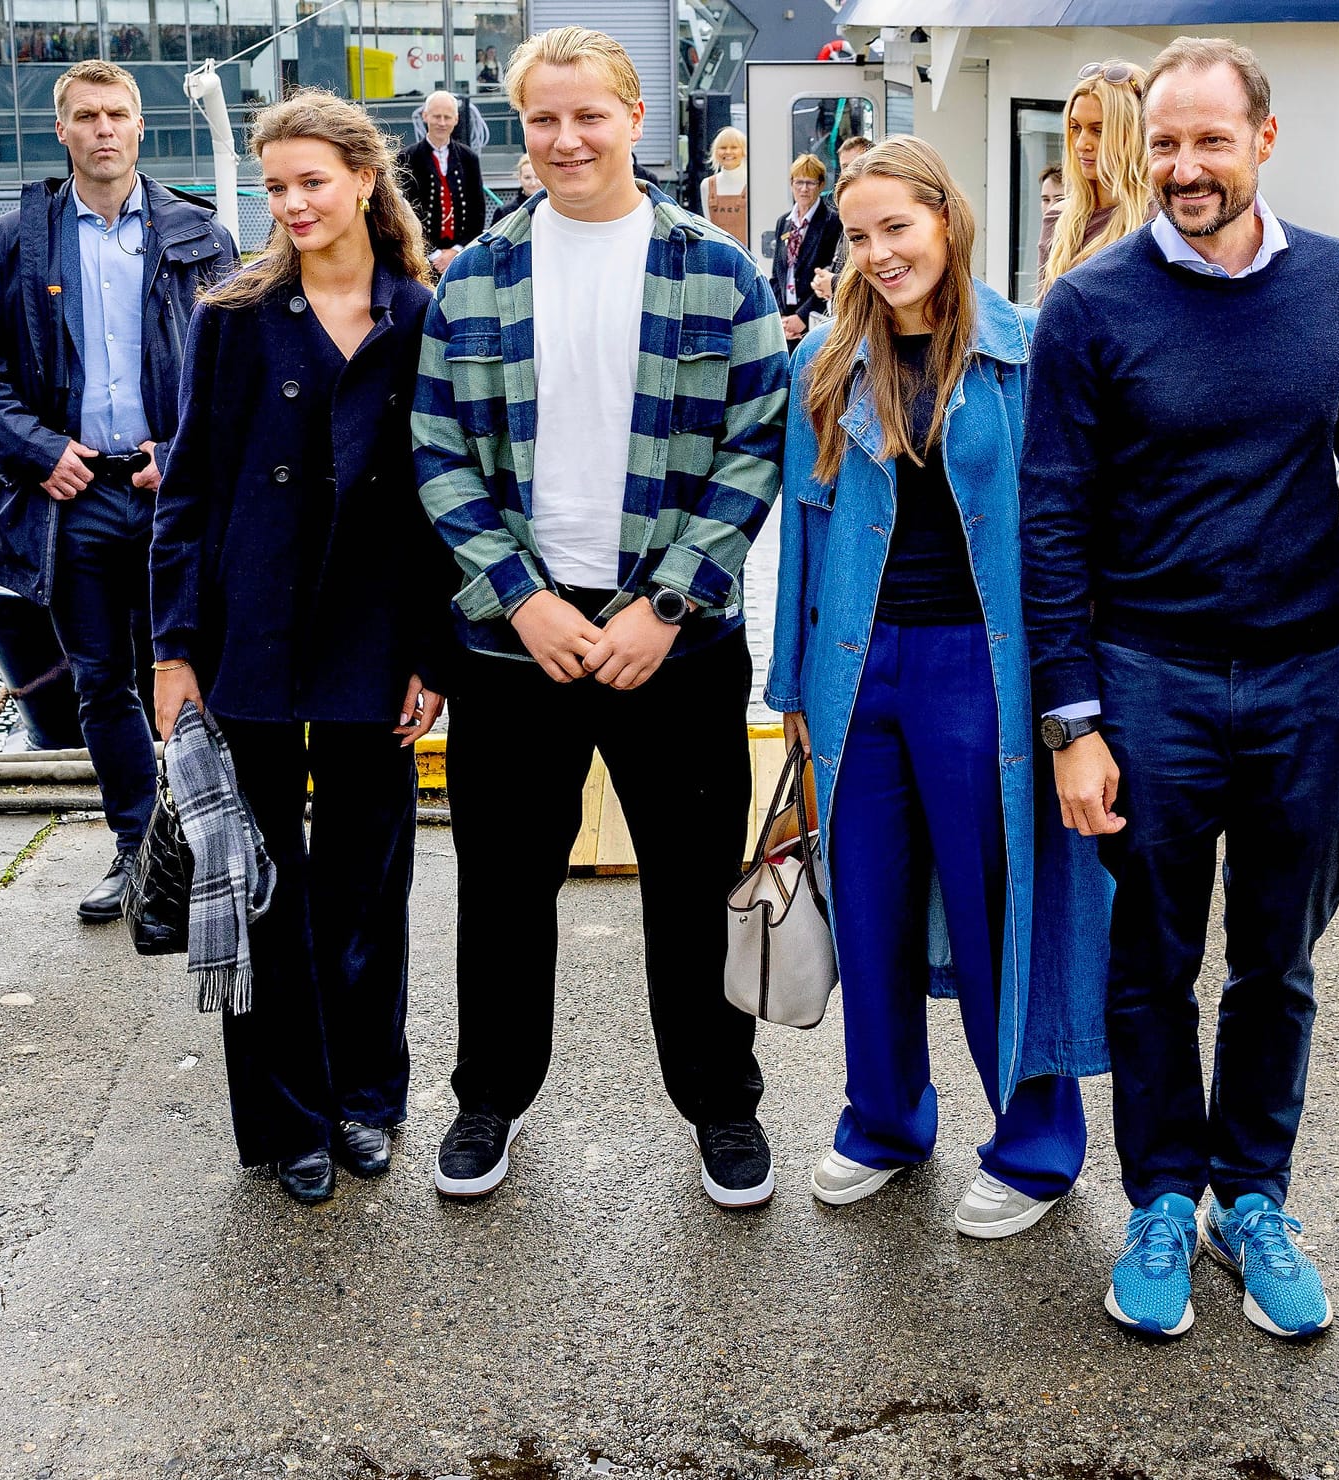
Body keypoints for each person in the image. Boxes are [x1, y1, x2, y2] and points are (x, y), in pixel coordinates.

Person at [1021, 36, 1339, 1341]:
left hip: (1306, 683)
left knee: (1276, 966)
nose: (1185, 166)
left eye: (1211, 141)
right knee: (1153, 962)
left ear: (1263, 142)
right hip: (1150, 681)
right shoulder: (1092, 308)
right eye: (1165, 143)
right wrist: (1073, 722)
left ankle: (1255, 1198)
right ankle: (1164, 1198)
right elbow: (1051, 528)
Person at [412, 26, 789, 1209]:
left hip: (669, 638)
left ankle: (722, 1104)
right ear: (516, 128)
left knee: (692, 881)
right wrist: (519, 599)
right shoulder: (471, 276)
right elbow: (437, 454)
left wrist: (667, 606)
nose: (565, 139)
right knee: (502, 884)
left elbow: (755, 446)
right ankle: (490, 1097)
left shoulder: (718, 271)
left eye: (589, 115)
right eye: (542, 119)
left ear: (636, 118)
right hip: (514, 640)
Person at [768, 137, 1111, 1239]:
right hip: (856, 665)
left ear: (947, 222)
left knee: (998, 897)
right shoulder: (823, 364)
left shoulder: (1024, 354)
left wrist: (1077, 696)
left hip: (984, 662)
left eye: (896, 229)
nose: (877, 254)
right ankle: (883, 1119)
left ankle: (1033, 1142)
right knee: (864, 899)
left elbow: (1068, 534)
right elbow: (804, 543)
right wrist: (791, 695)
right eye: (858, 237)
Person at [150, 89, 450, 1207]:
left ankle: (368, 1097)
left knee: (369, 885)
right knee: (259, 883)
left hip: (376, 638)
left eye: (312, 181)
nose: (293, 204)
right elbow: (187, 494)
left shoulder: (420, 316)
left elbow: (442, 503)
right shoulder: (233, 318)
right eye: (277, 188)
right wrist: (174, 651)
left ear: (365, 178)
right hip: (252, 633)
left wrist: (436, 651)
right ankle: (289, 1121)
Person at [0, 59, 236, 921]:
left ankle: (206, 847)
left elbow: (231, 371)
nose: (103, 128)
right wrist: (41, 452)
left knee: (193, 671)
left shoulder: (199, 234)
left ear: (141, 127)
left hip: (169, 491)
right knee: (101, 680)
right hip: (71, 497)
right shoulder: (16, 241)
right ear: (62, 130)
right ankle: (135, 846)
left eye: (117, 113)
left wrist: (179, 450)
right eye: (86, 115)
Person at [1036, 60, 1156, 300]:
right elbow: (1041, 321)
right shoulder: (1058, 219)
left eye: (1098, 131)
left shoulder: (1160, 222)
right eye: (1075, 128)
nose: (1081, 144)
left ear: (1133, 134)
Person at [402, 90, 487, 275]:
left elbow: (477, 209)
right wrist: (433, 254)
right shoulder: (406, 158)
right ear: (425, 116)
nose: (442, 123)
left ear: (456, 119)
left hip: (461, 255)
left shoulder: (469, 158)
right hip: (420, 257)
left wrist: (456, 251)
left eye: (447, 117)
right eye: (436, 116)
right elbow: (404, 212)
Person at [771, 152, 838, 345]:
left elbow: (829, 275)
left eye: (810, 183)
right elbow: (777, 276)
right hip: (786, 321)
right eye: (798, 182)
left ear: (821, 185)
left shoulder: (832, 222)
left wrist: (801, 317)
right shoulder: (784, 222)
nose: (804, 189)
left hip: (815, 319)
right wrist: (781, 320)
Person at [811, 134, 875, 310]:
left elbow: (876, 280)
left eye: (855, 165)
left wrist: (833, 283)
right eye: (844, 167)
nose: (848, 173)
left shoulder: (876, 214)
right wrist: (824, 279)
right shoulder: (850, 213)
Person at [699, 125, 748, 248]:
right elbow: (708, 227)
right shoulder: (707, 185)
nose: (728, 152)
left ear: (744, 151)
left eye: (734, 147)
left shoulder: (752, 184)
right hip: (718, 258)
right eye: (723, 147)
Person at [490, 153, 541, 226]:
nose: (533, 183)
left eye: (537, 177)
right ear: (519, 178)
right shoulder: (505, 212)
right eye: (527, 177)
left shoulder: (558, 209)